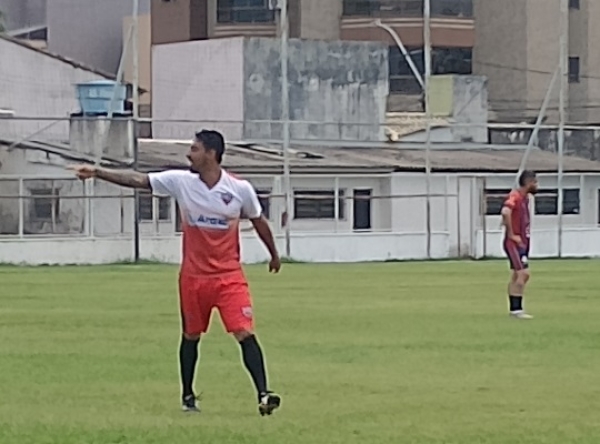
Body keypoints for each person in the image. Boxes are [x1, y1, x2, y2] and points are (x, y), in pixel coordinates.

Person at [68, 130, 282, 416]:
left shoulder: (239, 189)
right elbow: (139, 180)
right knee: (191, 335)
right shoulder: (181, 182)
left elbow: (259, 220)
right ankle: (188, 396)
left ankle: (264, 394)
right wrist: (97, 172)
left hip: (229, 277)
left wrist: (274, 253)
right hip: (194, 278)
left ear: (211, 154)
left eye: (194, 149)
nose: (188, 154)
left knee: (244, 331)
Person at [501, 170, 538, 320]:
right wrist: (511, 234)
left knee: (517, 275)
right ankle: (517, 310)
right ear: (528, 183)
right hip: (514, 244)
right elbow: (505, 212)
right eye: (535, 182)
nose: (536, 185)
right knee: (524, 273)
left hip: (522, 242)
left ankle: (514, 310)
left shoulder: (525, 199)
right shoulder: (515, 196)